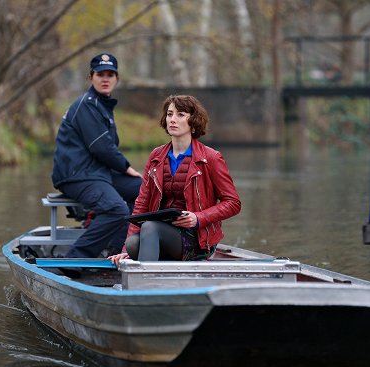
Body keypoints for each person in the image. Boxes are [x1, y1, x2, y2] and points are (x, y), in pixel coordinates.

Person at [109, 95, 241, 264]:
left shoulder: (211, 157)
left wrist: (198, 217)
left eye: (180, 115)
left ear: (193, 121)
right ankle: (151, 276)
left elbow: (233, 203)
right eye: (170, 114)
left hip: (197, 239)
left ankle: (144, 285)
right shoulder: (156, 156)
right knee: (133, 244)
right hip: (160, 232)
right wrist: (125, 251)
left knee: (149, 229)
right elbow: (142, 203)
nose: (173, 119)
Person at [51, 53, 142, 258]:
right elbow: (101, 147)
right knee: (117, 209)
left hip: (97, 171)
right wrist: (127, 168)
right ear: (91, 77)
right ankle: (75, 259)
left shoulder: (102, 105)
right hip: (77, 175)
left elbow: (106, 149)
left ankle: (118, 249)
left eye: (111, 74)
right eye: (101, 74)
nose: (106, 79)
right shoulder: (87, 105)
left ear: (117, 79)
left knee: (144, 190)